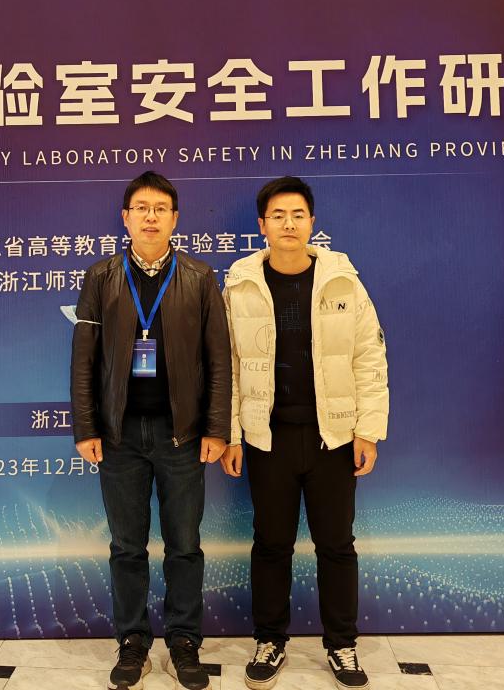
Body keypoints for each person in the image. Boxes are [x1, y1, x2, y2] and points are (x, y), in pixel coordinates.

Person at [219, 176, 388, 690]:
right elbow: (227, 365)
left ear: (312, 222)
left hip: (331, 438)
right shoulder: (241, 284)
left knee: (336, 544)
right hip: (267, 438)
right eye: (278, 216)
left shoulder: (342, 280)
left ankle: (342, 645)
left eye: (297, 215)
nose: (288, 224)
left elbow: (369, 356)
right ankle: (270, 640)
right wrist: (231, 435)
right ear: (262, 225)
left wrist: (368, 430)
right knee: (271, 544)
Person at [70, 171, 233, 690]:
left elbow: (219, 359)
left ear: (175, 218)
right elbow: (84, 360)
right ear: (125, 217)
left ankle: (184, 641)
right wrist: (86, 426)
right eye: (141, 207)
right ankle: (133, 642)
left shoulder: (200, 277)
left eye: (160, 208)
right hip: (119, 437)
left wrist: (216, 427)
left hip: (181, 435)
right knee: (127, 546)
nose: (150, 216)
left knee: (184, 544)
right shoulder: (100, 276)